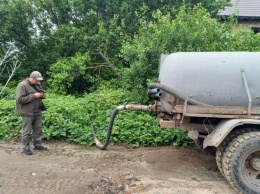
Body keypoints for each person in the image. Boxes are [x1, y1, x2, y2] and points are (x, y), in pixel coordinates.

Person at [15, 71, 48, 155]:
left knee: (38, 129)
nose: (38, 82)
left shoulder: (37, 84)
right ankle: (25, 148)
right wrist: (33, 96)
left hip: (37, 111)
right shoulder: (22, 85)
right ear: (32, 78)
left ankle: (37, 145)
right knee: (26, 131)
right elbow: (20, 100)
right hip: (27, 112)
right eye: (37, 80)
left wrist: (43, 96)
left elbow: (40, 94)